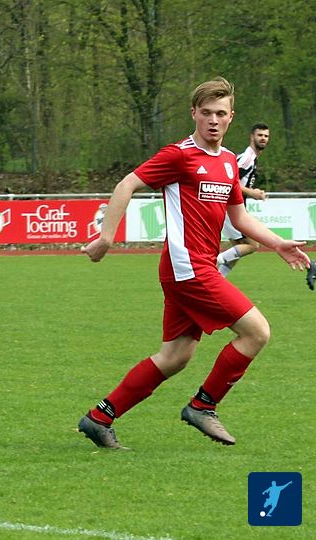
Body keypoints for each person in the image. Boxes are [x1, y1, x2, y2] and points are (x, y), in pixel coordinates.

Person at [77, 77, 309, 450]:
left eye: (220, 113)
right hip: (187, 269)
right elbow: (126, 184)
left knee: (174, 357)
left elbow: (239, 218)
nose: (213, 120)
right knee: (257, 332)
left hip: (196, 268)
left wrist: (278, 243)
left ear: (231, 117)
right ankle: (203, 406)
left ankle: (99, 417)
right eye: (206, 113)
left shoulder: (229, 162)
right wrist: (106, 237)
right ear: (194, 114)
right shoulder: (179, 155)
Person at [217, 123, 270, 277]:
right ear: (252, 137)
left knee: (238, 250)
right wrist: (252, 193)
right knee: (253, 245)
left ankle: (217, 282)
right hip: (231, 208)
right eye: (260, 135)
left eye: (266, 136)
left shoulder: (251, 158)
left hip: (232, 207)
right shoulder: (247, 158)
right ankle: (213, 261)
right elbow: (229, 181)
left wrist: (253, 192)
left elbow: (238, 183)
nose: (263, 138)